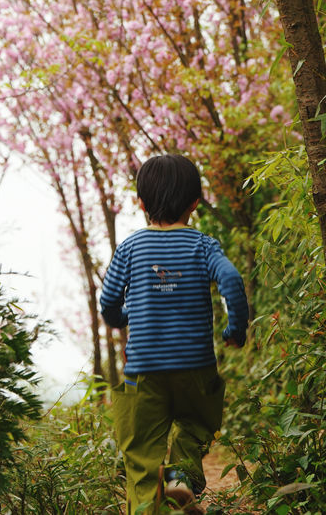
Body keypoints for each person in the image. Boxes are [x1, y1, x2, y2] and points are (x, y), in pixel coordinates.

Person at [100, 155, 249, 514]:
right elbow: (231, 279)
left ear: (141, 203)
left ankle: (149, 507)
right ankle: (179, 480)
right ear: (195, 203)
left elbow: (108, 300)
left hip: (144, 371)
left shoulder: (131, 248)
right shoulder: (203, 245)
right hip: (196, 367)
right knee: (197, 425)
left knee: (141, 453)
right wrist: (235, 329)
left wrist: (121, 320)